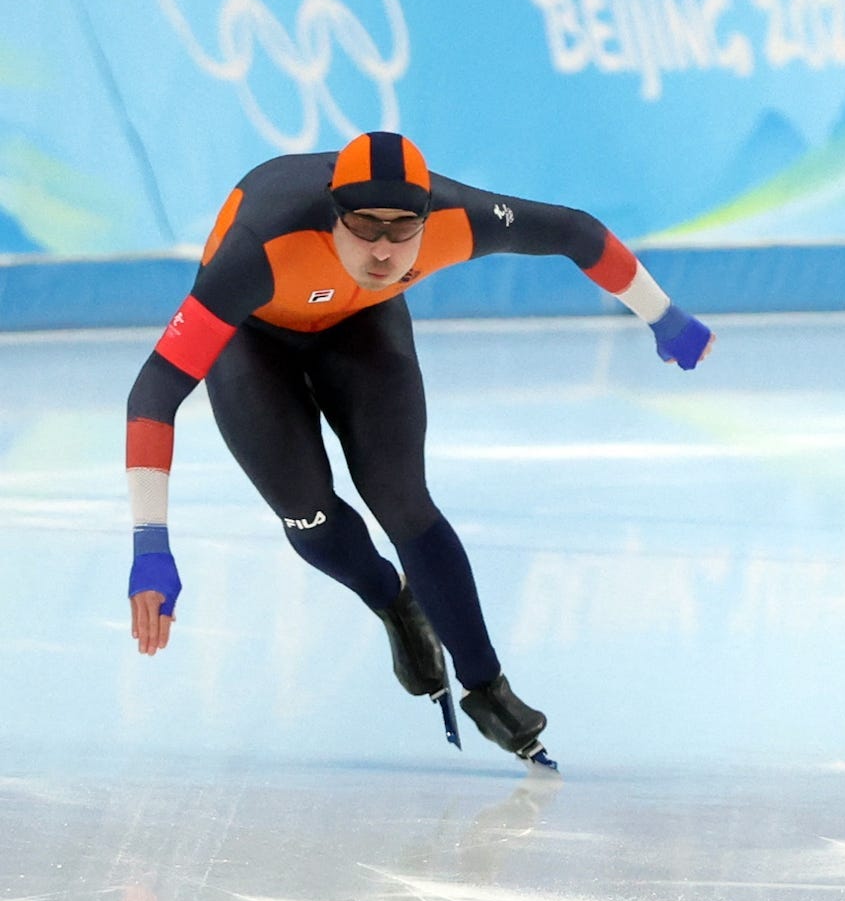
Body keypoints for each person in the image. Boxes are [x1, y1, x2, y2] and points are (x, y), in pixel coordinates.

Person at [123, 131, 714, 767]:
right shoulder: (259, 249)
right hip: (253, 336)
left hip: (363, 326)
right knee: (308, 512)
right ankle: (391, 599)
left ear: (427, 219)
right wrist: (150, 544)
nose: (381, 248)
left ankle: (488, 690)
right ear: (332, 211)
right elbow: (153, 395)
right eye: (363, 227)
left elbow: (577, 233)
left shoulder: (460, 220)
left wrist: (665, 316)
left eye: (401, 230)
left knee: (403, 500)